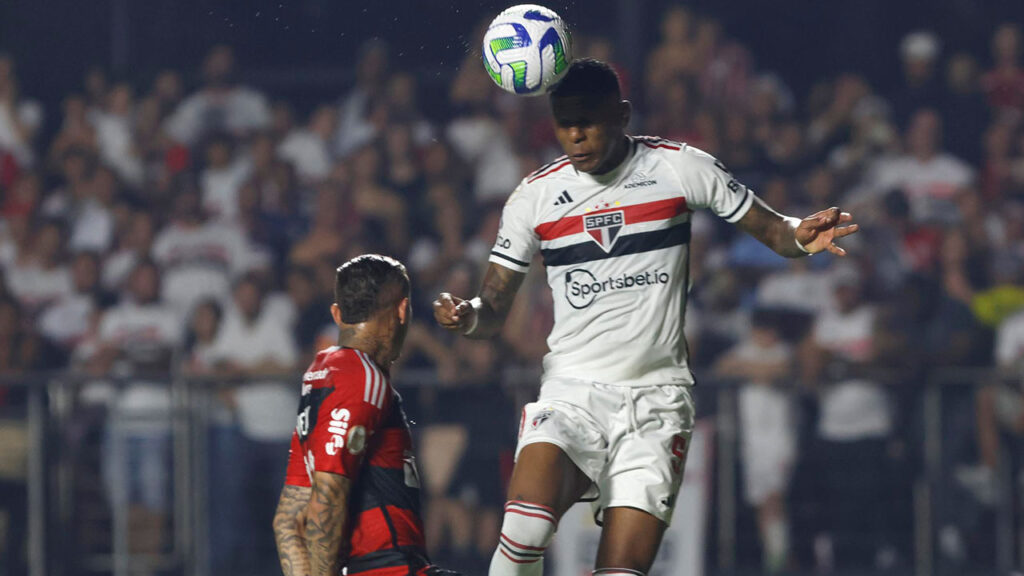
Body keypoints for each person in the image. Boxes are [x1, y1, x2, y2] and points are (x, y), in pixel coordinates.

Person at [432, 59, 859, 576]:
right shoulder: (535, 197)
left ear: (623, 114)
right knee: (524, 530)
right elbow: (493, 306)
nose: (575, 135)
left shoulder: (679, 167)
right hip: (572, 393)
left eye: (588, 120)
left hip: (658, 401)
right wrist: (468, 315)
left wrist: (800, 236)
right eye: (564, 123)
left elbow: (773, 230)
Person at [274, 255, 457, 576]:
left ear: (336, 314)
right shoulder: (360, 376)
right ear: (403, 310)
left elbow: (288, 521)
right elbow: (327, 498)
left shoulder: (320, 376)